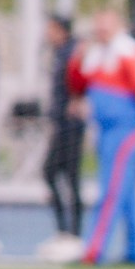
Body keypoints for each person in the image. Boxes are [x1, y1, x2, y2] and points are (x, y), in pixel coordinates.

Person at [67, 7, 135, 267]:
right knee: (126, 193)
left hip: (124, 129)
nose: (101, 29)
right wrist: (77, 60)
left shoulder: (127, 51)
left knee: (112, 190)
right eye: (98, 24)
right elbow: (77, 84)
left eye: (107, 24)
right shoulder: (94, 52)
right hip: (104, 130)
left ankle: (94, 251)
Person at [43, 15, 84, 247]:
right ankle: (66, 231)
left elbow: (83, 79)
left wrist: (78, 98)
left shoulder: (74, 52)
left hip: (71, 125)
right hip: (61, 122)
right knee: (53, 173)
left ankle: (73, 234)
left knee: (68, 176)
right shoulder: (60, 52)